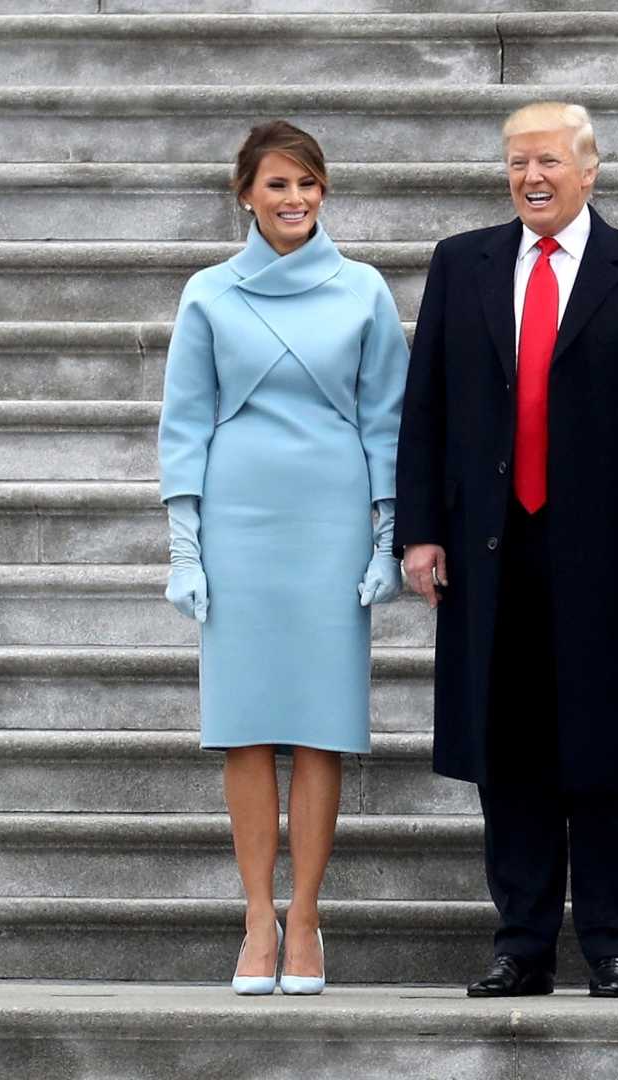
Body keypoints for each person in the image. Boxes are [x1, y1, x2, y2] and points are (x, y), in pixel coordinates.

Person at [394, 102, 618, 999]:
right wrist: (420, 530)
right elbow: (427, 407)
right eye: (517, 162)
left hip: (606, 556)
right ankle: (522, 942)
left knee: (605, 752)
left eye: (549, 163)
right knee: (511, 750)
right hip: (492, 549)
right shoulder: (464, 263)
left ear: (590, 170)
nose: (531, 177)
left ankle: (612, 943)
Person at [157, 120, 408, 996]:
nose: (294, 199)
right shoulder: (209, 294)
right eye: (277, 185)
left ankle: (306, 916)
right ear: (245, 195)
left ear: (324, 191)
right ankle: (256, 919)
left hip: (330, 521)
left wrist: (385, 538)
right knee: (246, 724)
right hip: (241, 521)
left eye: (308, 184)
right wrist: (186, 547)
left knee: (319, 723)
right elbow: (185, 422)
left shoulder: (364, 290)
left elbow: (388, 419)